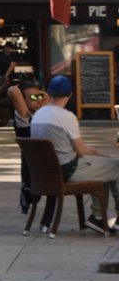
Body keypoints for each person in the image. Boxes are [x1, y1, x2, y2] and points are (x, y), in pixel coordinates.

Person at [30, 74, 119, 235]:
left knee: (103, 167)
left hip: (46, 172)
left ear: (48, 92)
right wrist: (95, 152)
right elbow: (80, 150)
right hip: (67, 169)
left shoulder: (38, 114)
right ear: (70, 95)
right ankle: (110, 218)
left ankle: (98, 218)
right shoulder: (66, 116)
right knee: (116, 166)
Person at [8, 70, 45, 214]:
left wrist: (39, 95)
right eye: (33, 97)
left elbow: (46, 97)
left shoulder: (43, 112)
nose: (39, 100)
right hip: (32, 168)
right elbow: (13, 91)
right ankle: (26, 194)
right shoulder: (23, 117)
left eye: (40, 96)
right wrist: (19, 87)